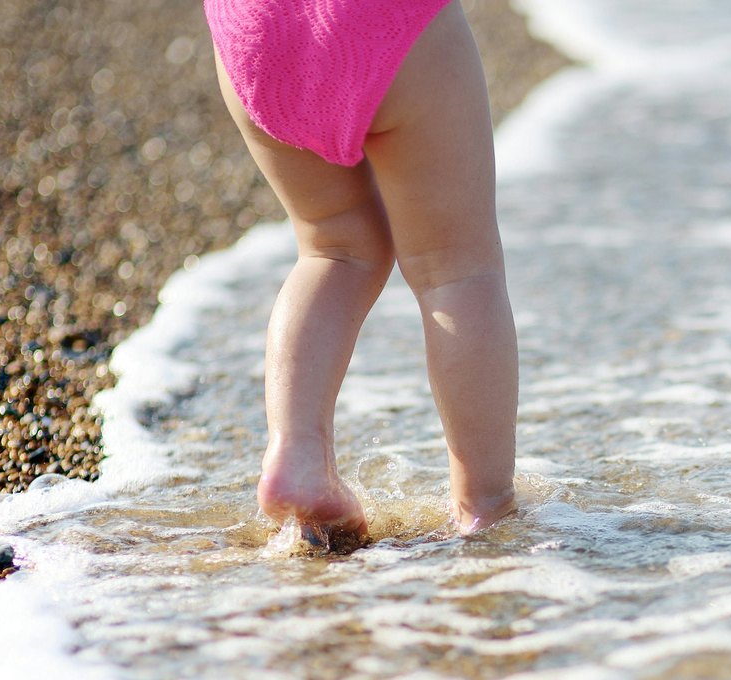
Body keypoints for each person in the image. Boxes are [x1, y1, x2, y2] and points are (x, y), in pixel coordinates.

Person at [203, 0, 519, 549]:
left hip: (254, 33)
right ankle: (485, 508)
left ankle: (297, 453)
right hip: (381, 19)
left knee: (332, 249)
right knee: (457, 270)